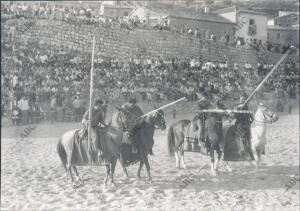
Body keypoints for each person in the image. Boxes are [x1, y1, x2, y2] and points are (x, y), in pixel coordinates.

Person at [232, 95, 254, 160]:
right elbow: (233, 113)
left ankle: (250, 153)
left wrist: (251, 117)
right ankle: (242, 153)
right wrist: (238, 107)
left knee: (249, 138)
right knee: (242, 138)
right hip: (239, 124)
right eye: (242, 99)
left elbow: (248, 114)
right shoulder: (236, 106)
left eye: (244, 99)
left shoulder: (246, 106)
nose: (243, 100)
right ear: (239, 100)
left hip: (247, 124)